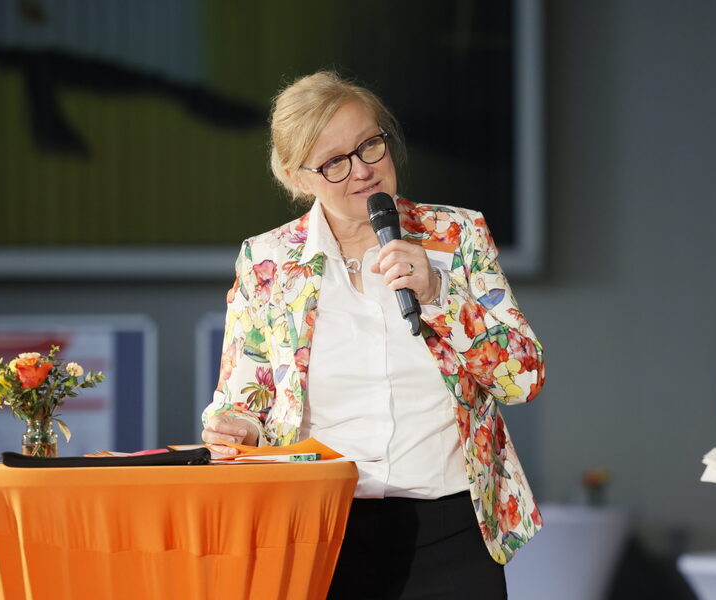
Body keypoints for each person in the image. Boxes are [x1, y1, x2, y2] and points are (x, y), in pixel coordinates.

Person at [199, 71, 545, 599]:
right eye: (335, 163)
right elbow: (244, 399)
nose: (362, 171)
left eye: (370, 146)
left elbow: (524, 378)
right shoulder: (267, 260)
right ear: (297, 177)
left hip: (452, 525)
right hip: (324, 529)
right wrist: (238, 429)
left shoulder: (456, 235)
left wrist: (440, 295)